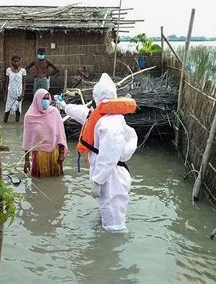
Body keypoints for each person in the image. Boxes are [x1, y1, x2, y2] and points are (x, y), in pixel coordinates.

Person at [56, 73, 138, 233]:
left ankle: (111, 252)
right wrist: (64, 106)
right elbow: (83, 113)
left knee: (115, 226)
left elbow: (109, 155)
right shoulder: (99, 115)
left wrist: (98, 180)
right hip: (107, 175)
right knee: (106, 212)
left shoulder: (110, 123)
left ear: (97, 98)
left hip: (111, 177)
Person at [22, 89, 67, 177]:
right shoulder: (29, 116)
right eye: (43, 99)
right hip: (39, 155)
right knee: (40, 179)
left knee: (56, 178)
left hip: (55, 153)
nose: (46, 101)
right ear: (37, 99)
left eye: (47, 98)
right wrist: (26, 161)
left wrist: (62, 153)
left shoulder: (54, 113)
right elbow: (27, 140)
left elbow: (61, 134)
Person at [4, 55, 26, 123]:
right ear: (12, 62)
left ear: (20, 62)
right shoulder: (8, 70)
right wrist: (5, 95)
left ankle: (17, 123)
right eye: (14, 61)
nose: (16, 63)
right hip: (10, 94)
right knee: (7, 110)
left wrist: (22, 94)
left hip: (19, 93)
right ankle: (5, 122)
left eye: (17, 61)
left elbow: (24, 83)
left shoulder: (23, 71)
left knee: (18, 110)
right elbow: (7, 83)